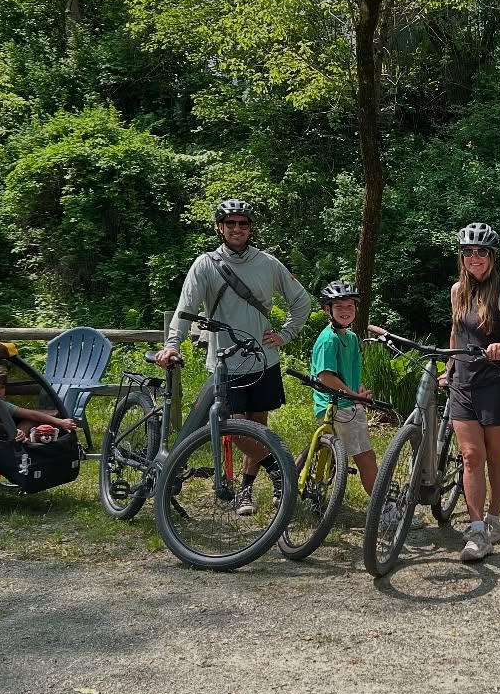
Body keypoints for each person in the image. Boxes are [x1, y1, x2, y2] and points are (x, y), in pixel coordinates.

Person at [155, 199, 311, 515]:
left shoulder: (268, 263)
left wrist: (285, 334)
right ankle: (280, 470)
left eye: (243, 223)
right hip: (226, 364)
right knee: (236, 428)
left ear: (250, 228)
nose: (237, 229)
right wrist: (173, 344)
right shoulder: (205, 265)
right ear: (219, 227)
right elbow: (185, 311)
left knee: (258, 426)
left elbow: (301, 301)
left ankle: (246, 490)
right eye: (230, 223)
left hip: (264, 360)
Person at [445, 222, 500, 562]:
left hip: (496, 382)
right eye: (468, 252)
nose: (474, 258)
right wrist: (448, 369)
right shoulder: (457, 291)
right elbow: (455, 333)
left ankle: (494, 518)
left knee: (495, 455)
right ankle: (477, 530)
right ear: (461, 257)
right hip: (463, 383)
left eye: (481, 252)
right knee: (470, 456)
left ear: (492, 257)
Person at [310, 280, 378, 496]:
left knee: (334, 455)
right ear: (327, 309)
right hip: (338, 405)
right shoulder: (328, 340)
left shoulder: (350, 337)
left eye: (350, 306)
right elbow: (326, 377)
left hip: (347, 402)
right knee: (366, 458)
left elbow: (351, 374)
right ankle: (385, 509)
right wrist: (354, 396)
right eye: (339, 307)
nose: (346, 311)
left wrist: (360, 391)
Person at [0, 362, 78, 443]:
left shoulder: (1, 404)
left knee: (32, 419)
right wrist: (10, 430)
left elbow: (31, 414)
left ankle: (25, 440)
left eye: (2, 387)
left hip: (7, 434)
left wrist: (59, 422)